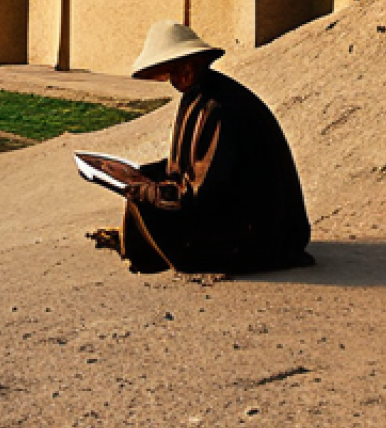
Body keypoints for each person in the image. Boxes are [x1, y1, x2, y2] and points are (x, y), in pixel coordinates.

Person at [113, 21, 313, 275]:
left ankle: (159, 254)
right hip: (251, 217)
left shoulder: (216, 106)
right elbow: (193, 161)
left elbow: (203, 189)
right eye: (173, 71)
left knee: (144, 199)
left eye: (185, 67)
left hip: (262, 233)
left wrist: (146, 190)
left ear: (198, 63)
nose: (179, 77)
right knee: (146, 183)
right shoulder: (201, 95)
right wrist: (143, 173)